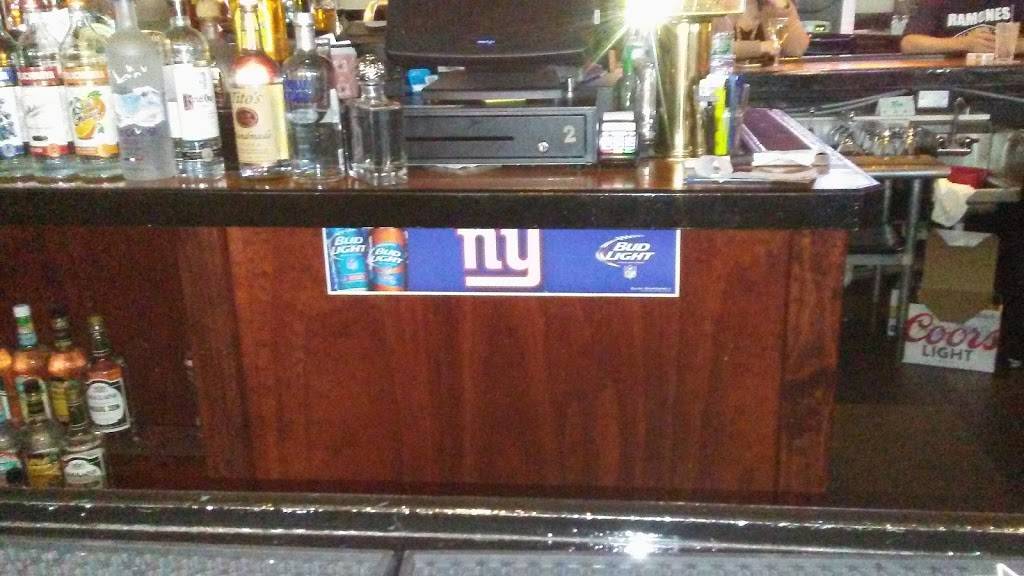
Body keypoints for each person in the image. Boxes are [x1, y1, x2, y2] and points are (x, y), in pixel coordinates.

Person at [901, 0, 1024, 54]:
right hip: (952, 81)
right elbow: (909, 44)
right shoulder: (936, 2)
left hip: (1008, 82)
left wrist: (1012, 46)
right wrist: (965, 43)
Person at [720, 0, 810, 61]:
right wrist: (761, 47)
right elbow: (718, 49)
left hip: (770, 80)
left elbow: (797, 50)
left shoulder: (772, 6)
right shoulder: (719, 6)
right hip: (725, 79)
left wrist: (783, 8)